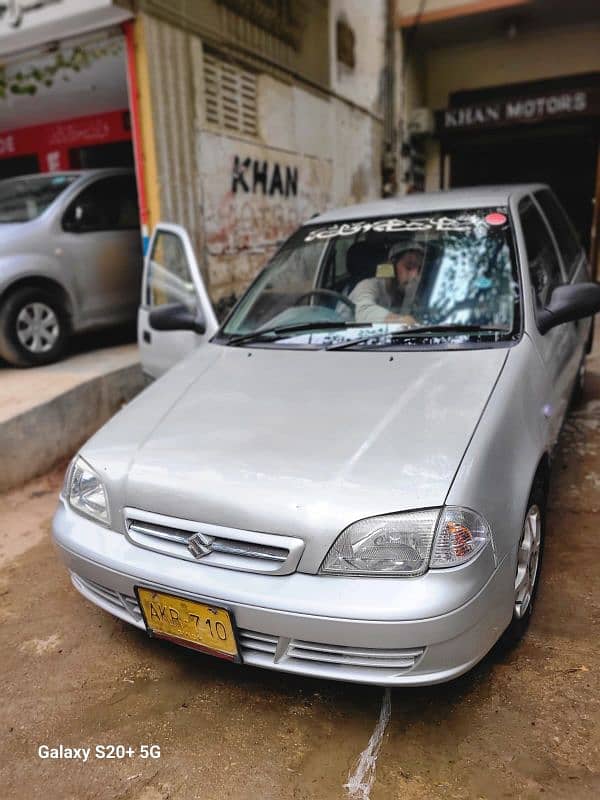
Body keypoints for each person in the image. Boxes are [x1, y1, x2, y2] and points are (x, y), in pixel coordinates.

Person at [349, 241, 424, 324]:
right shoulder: (366, 286)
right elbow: (364, 311)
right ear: (392, 267)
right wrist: (400, 320)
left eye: (419, 269)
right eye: (409, 267)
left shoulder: (409, 294)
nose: (414, 275)